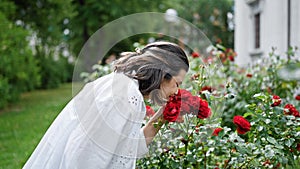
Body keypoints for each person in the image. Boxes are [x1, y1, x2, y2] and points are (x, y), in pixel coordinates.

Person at [23, 41, 189, 169]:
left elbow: (129, 149)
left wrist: (164, 115)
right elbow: (83, 157)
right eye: (177, 83)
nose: (176, 91)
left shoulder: (127, 88)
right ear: (162, 74)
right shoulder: (122, 96)